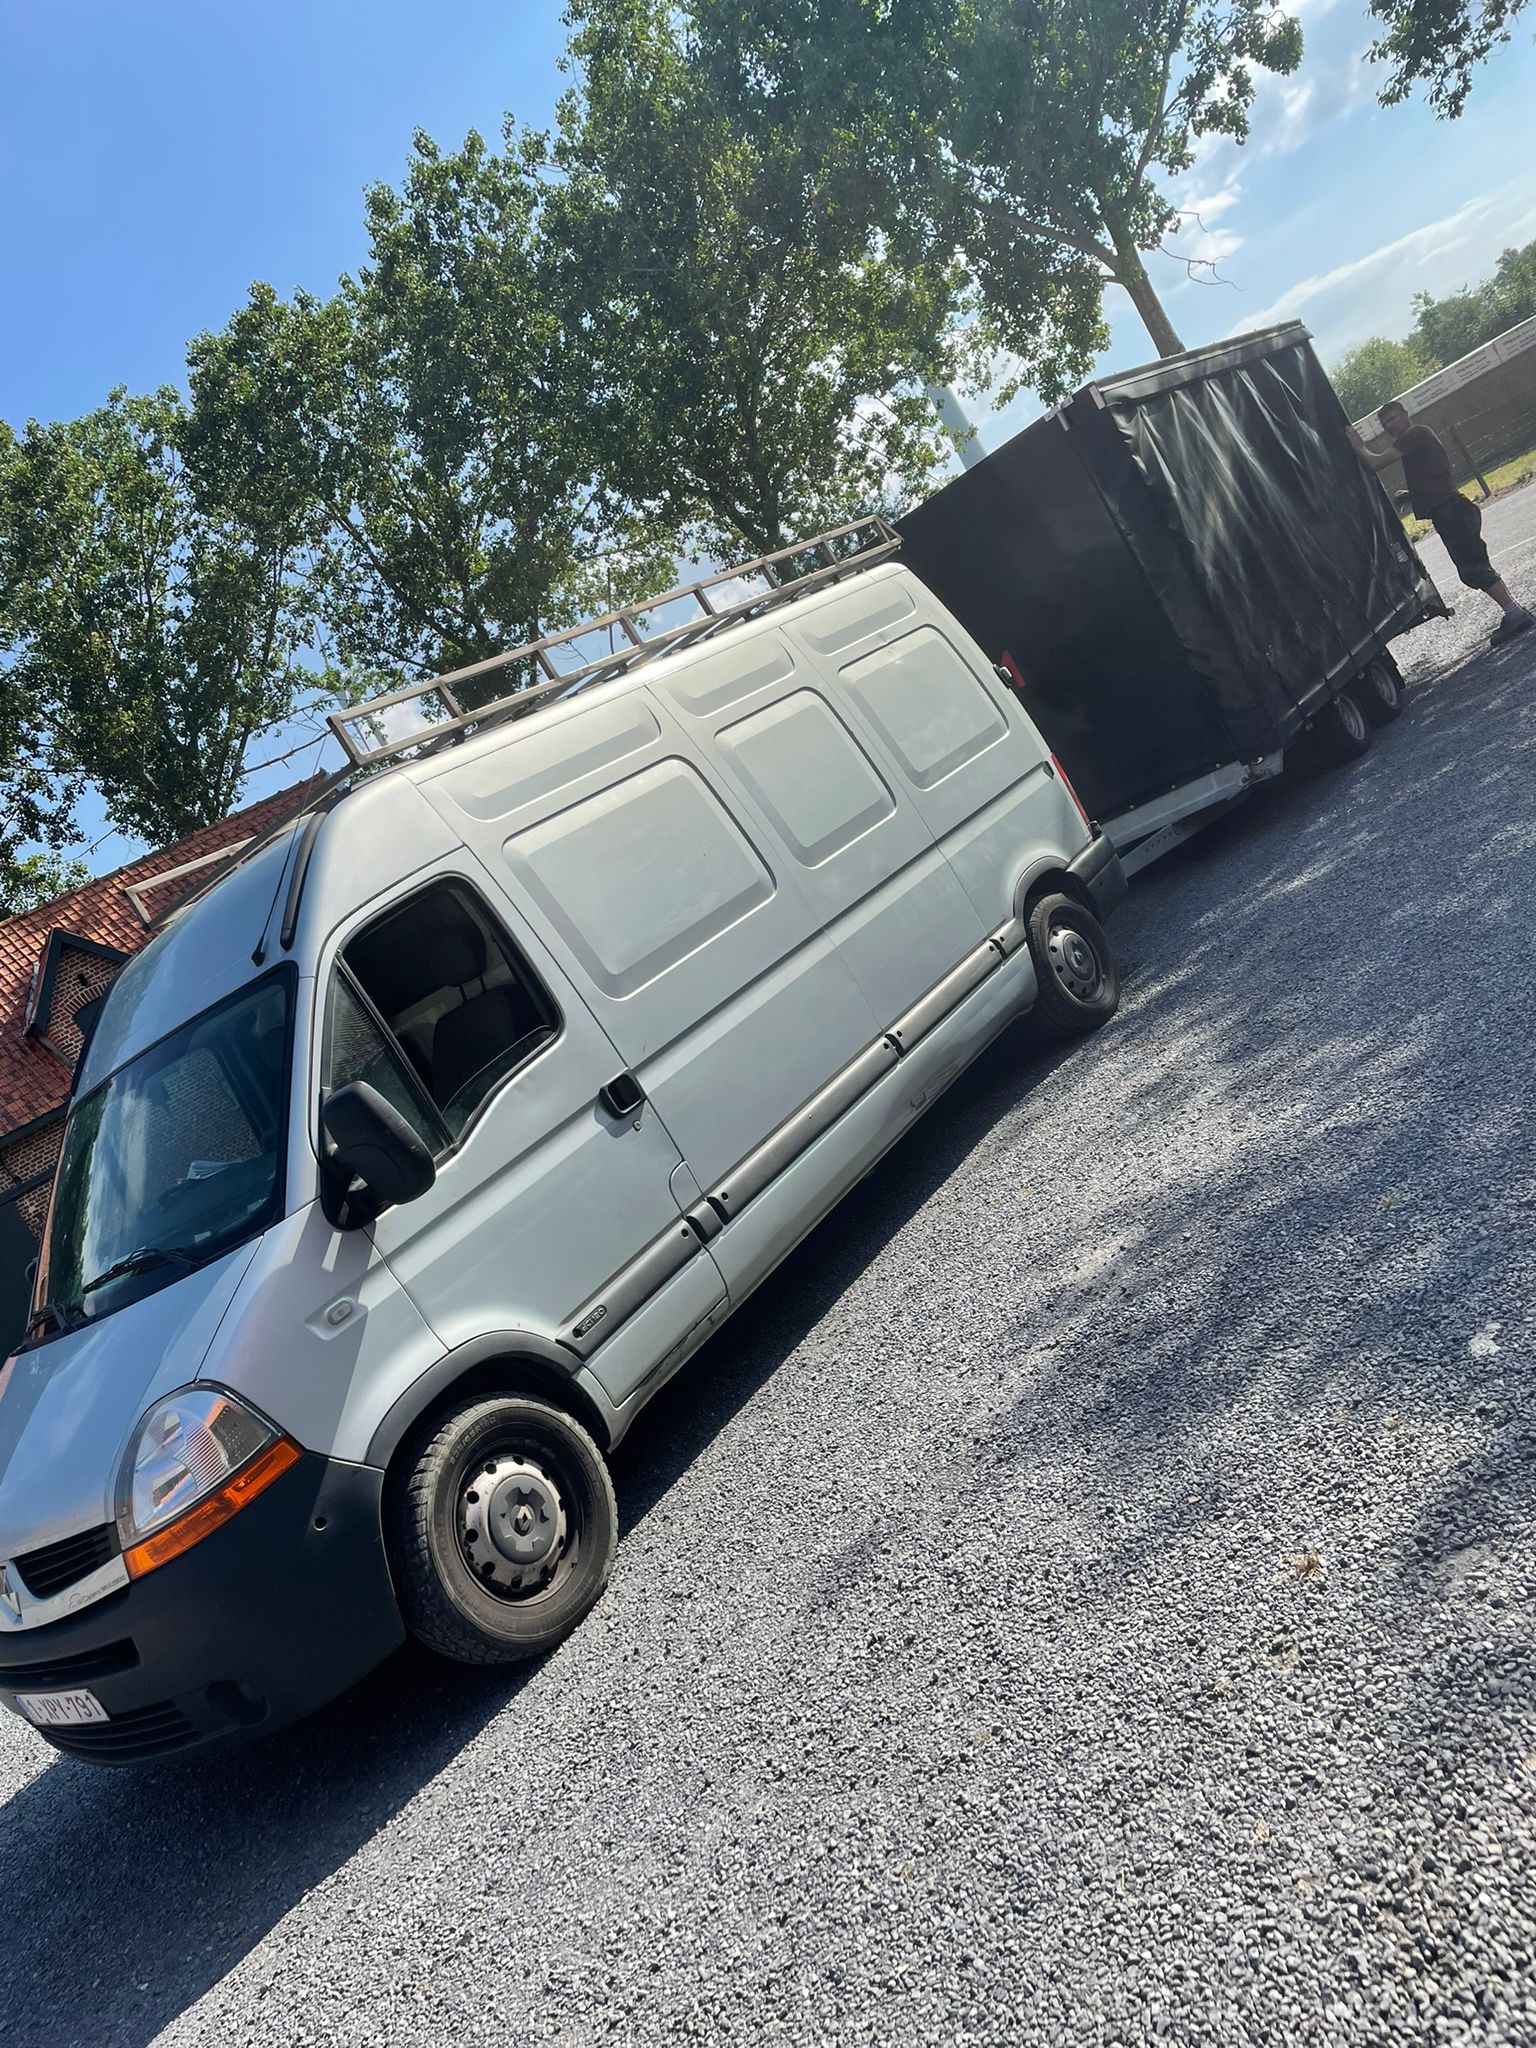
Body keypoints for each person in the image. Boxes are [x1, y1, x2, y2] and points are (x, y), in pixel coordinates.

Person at [1347, 402, 1532, 645]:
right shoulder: (1417, 439)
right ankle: (1514, 611)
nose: (1389, 425)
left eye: (1392, 419)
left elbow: (1375, 464)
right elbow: (1434, 476)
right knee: (1476, 564)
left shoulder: (1414, 434)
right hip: (1452, 510)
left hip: (1451, 512)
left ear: (1405, 415)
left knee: (1473, 568)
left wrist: (1358, 445)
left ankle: (1515, 614)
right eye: (1385, 424)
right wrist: (1411, 495)